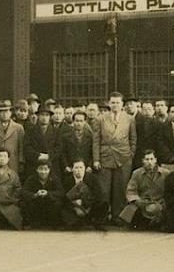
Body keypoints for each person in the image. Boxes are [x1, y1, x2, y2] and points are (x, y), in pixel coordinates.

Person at [92, 91, 137, 219]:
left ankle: (119, 217)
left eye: (117, 102)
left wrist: (130, 154)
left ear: (122, 104)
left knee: (121, 189)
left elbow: (133, 139)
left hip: (123, 157)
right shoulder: (100, 119)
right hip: (105, 156)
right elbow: (96, 140)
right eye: (113, 102)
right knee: (104, 189)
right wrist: (96, 159)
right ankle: (104, 216)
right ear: (109, 103)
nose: (115, 105)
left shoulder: (129, 119)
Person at [119, 150, 165, 230]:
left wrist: (162, 202)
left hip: (159, 202)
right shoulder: (136, 173)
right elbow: (131, 190)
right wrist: (137, 200)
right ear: (143, 161)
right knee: (130, 211)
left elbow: (170, 191)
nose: (149, 162)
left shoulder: (165, 173)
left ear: (156, 160)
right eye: (147, 159)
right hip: (142, 202)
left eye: (151, 159)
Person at [61, 158, 108, 231]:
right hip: (74, 208)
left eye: (81, 167)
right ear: (72, 169)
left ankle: (96, 223)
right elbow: (63, 198)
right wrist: (75, 205)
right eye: (76, 167)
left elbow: (98, 195)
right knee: (63, 208)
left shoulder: (93, 179)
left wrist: (84, 202)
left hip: (89, 206)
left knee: (103, 204)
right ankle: (76, 223)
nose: (78, 170)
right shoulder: (67, 180)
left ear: (85, 168)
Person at [21, 156, 65, 229]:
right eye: (40, 169)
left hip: (49, 204)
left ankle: (53, 223)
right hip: (37, 204)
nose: (43, 172)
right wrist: (35, 194)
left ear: (49, 170)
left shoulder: (54, 178)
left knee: (58, 203)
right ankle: (34, 223)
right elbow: (24, 192)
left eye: (45, 169)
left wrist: (48, 193)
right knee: (27, 203)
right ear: (36, 169)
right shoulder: (31, 179)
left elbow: (61, 192)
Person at [0, 100, 26, 175]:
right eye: (1, 112)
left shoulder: (18, 128)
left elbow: (21, 148)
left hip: (13, 162)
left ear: (10, 112)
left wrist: (21, 162)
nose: (4, 114)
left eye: (6, 111)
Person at [24, 105, 59, 176]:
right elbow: (27, 147)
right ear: (38, 116)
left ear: (50, 117)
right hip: (34, 166)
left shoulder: (56, 131)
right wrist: (38, 155)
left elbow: (59, 148)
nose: (44, 117)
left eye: (47, 115)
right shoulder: (30, 131)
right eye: (42, 115)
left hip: (51, 166)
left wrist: (48, 156)